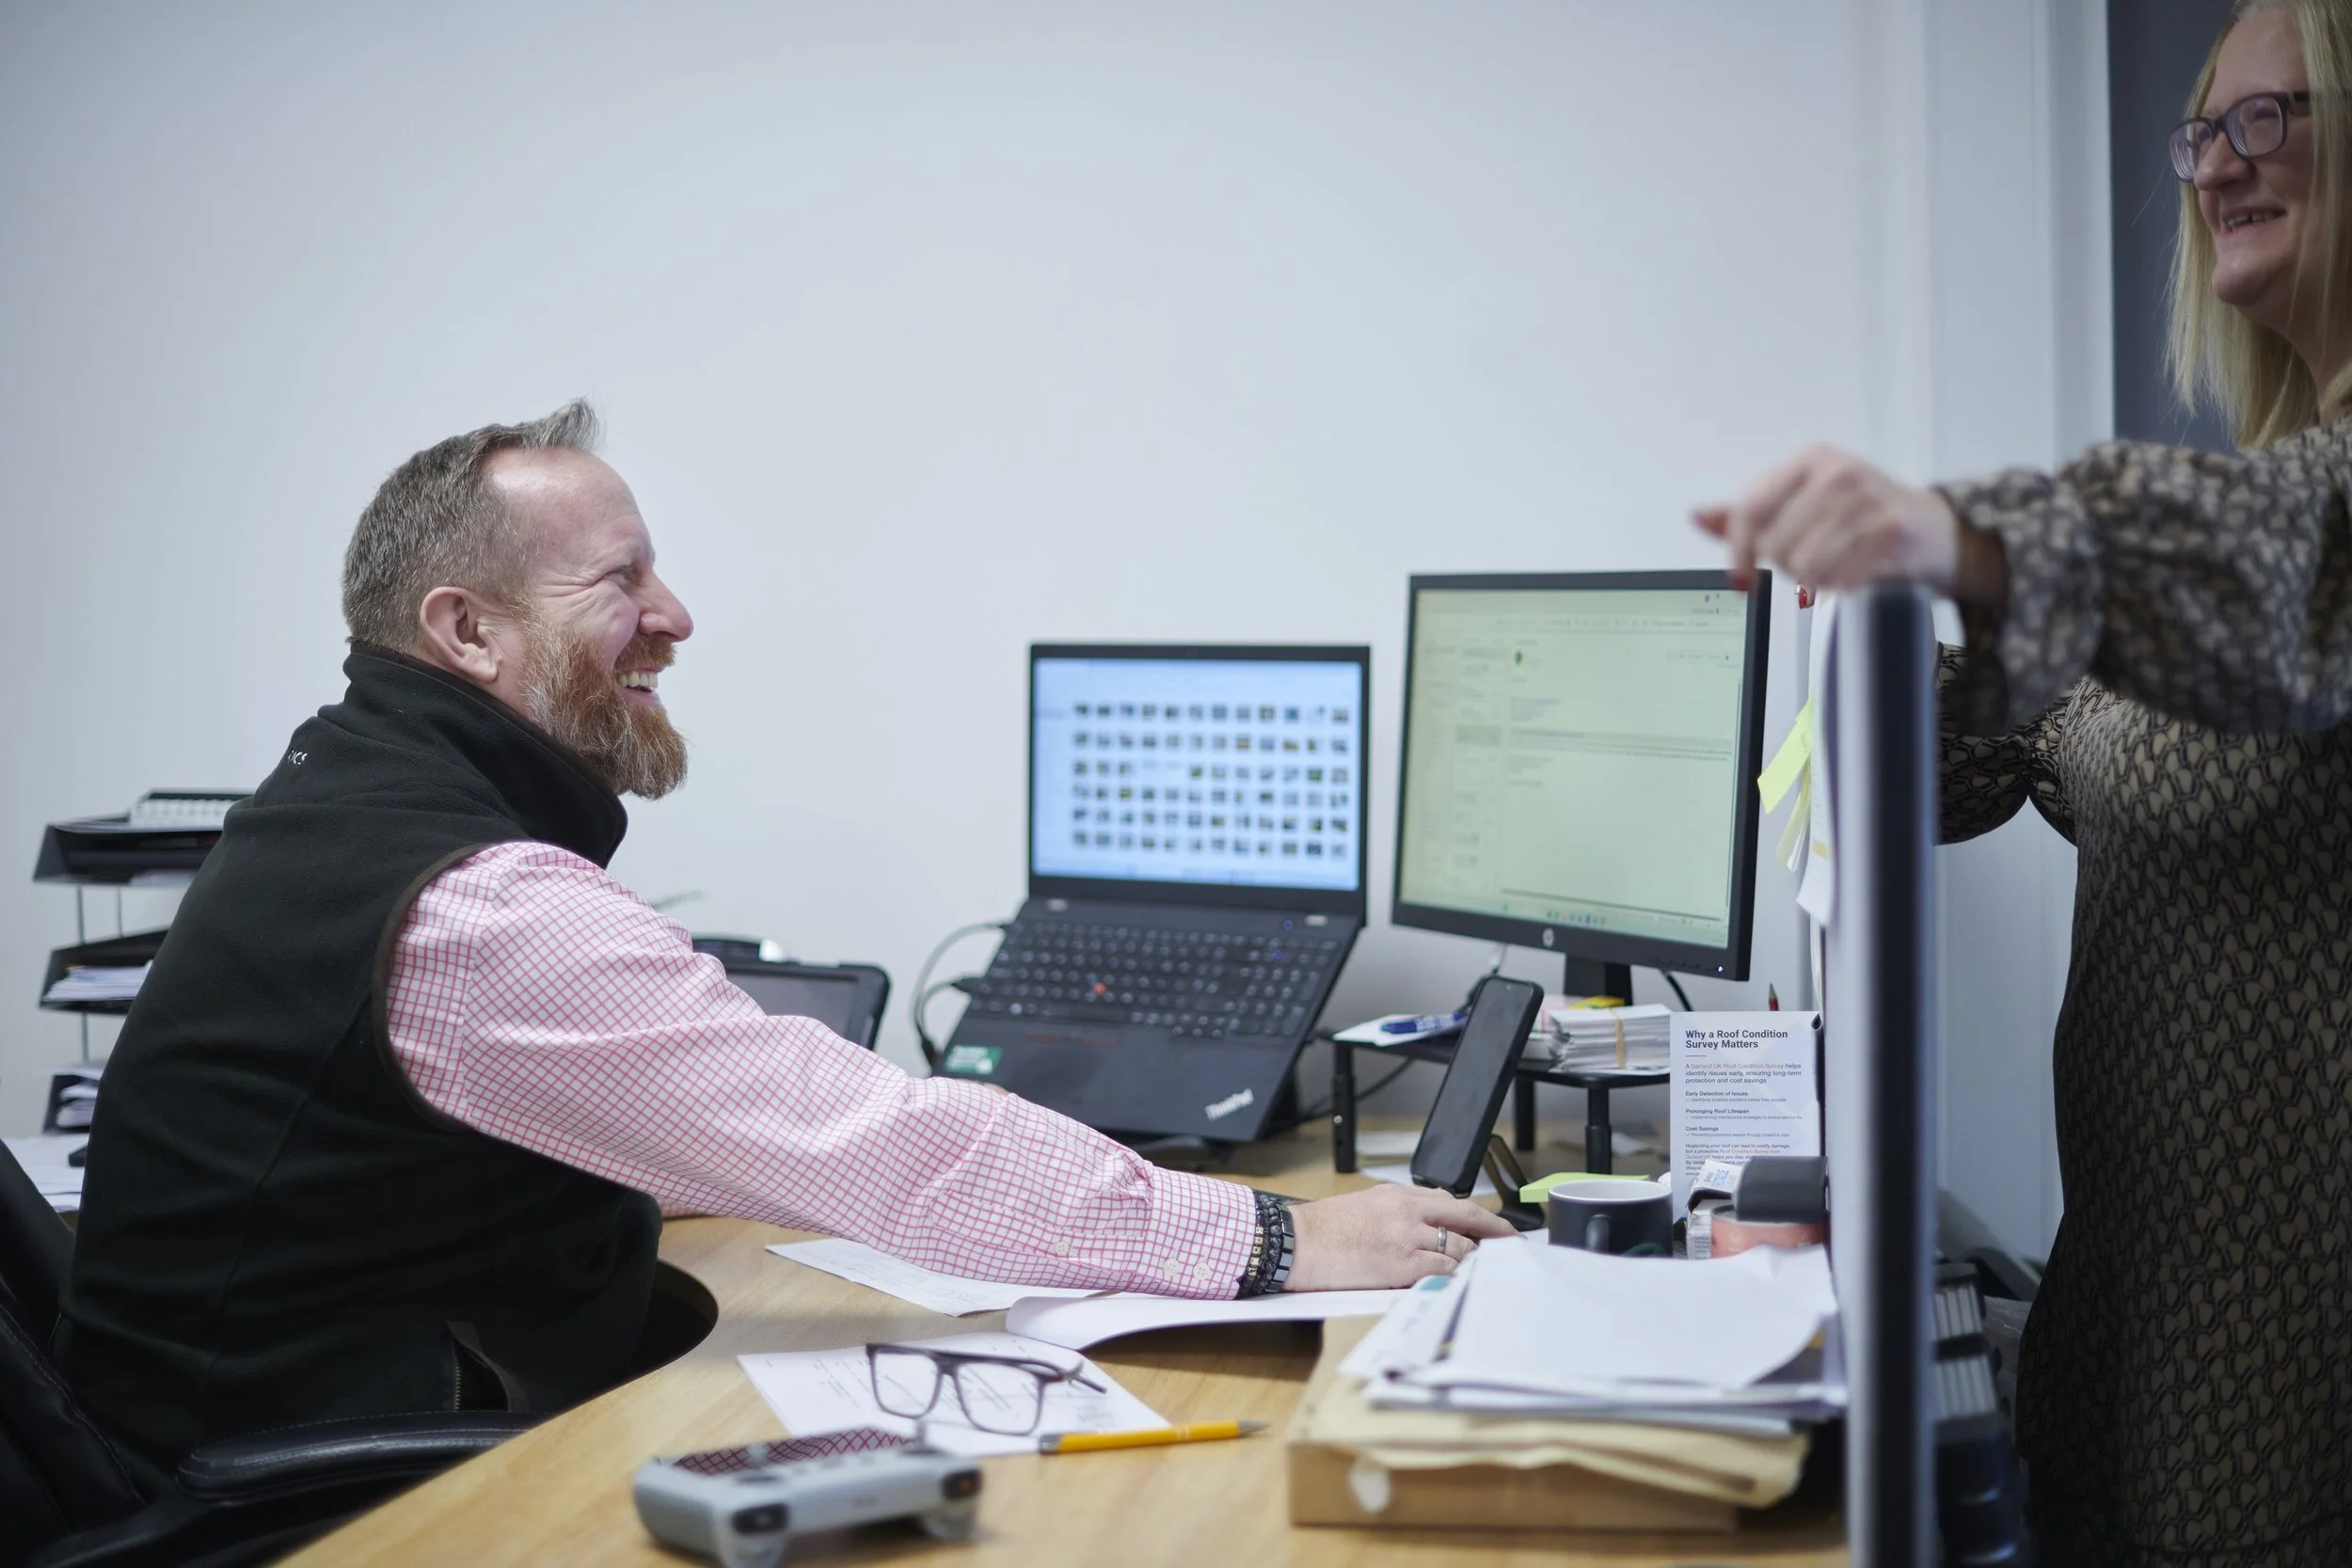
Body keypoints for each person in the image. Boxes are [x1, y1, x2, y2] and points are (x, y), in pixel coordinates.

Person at [58, 401, 1510, 1485]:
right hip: (329, 1499)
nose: (675, 616)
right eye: (621, 581)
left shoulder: (346, 790)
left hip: (297, 1404)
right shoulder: (474, 902)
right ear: (468, 631)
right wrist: (1270, 1234)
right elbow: (877, 1140)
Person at [1695, 3, 2352, 1563]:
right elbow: (1988, 753)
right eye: (2206, 132)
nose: (2219, 166)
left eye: (2276, 118)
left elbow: (2279, 570)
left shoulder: (2282, 539)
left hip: (2292, 1431)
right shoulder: (2251, 511)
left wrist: (1953, 526)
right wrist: (1847, 654)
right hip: (2119, 1371)